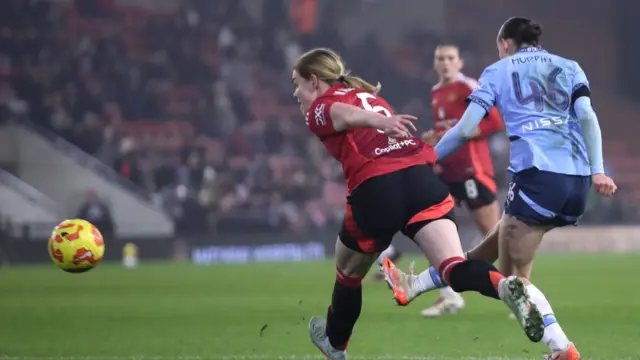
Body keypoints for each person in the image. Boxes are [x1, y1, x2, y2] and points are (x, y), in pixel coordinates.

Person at [380, 18, 617, 360]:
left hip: (536, 176)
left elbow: (463, 131)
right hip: (578, 183)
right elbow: (587, 116)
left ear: (505, 44)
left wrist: (427, 158)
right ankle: (414, 285)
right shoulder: (570, 67)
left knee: (512, 280)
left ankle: (561, 348)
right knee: (481, 254)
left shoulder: (497, 70)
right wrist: (597, 171)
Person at [293, 47, 544, 360]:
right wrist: (383, 123)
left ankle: (335, 345)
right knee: (453, 266)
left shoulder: (322, 105)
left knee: (348, 272)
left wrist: (374, 122)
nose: (296, 92)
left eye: (298, 84)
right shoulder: (368, 96)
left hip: (377, 189)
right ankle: (504, 287)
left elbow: (340, 114)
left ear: (314, 81)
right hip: (421, 180)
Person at [418, 43, 504, 318]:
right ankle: (449, 295)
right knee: (434, 228)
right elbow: (446, 128)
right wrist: (435, 137)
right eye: (440, 58)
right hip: (446, 173)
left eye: (450, 58)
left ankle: (522, 288)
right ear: (434, 63)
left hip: (472, 170)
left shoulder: (468, 86)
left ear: (460, 62)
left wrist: (462, 133)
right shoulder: (435, 92)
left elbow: (494, 122)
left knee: (495, 236)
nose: (445, 63)